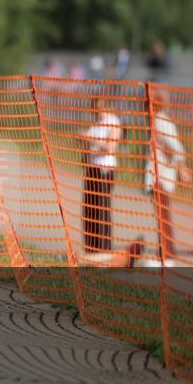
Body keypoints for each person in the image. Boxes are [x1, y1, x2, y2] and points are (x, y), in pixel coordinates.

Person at [144, 88, 192, 267]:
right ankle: (164, 252)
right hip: (159, 175)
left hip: (162, 176)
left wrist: (180, 166)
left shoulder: (161, 122)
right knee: (161, 215)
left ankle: (167, 254)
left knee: (163, 215)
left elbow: (176, 148)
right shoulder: (157, 120)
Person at [79, 96, 123, 263]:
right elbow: (90, 147)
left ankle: (104, 249)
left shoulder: (113, 122)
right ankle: (90, 248)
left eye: (98, 108)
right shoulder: (95, 123)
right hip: (92, 168)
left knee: (102, 209)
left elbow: (110, 147)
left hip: (105, 170)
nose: (96, 112)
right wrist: (83, 144)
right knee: (90, 208)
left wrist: (90, 139)